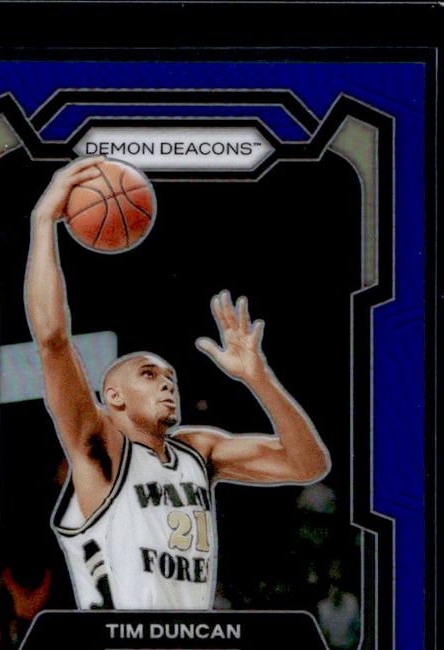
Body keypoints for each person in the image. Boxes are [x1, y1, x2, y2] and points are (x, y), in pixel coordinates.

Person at [25, 157, 331, 610]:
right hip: (117, 647)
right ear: (114, 397)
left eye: (170, 378)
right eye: (149, 375)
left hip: (190, 644)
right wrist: (42, 221)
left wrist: (260, 379)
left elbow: (308, 465)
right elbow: (52, 338)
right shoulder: (101, 447)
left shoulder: (198, 451)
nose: (167, 384)